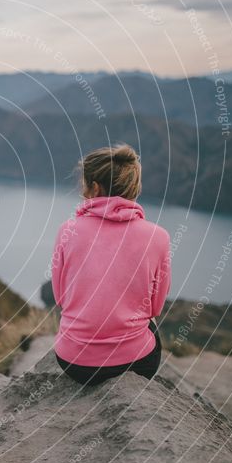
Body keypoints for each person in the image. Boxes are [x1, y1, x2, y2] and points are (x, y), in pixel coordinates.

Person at [51, 143, 171, 386]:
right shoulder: (159, 237)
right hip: (136, 364)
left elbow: (61, 297)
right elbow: (155, 308)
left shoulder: (67, 230)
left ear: (94, 187)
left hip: (74, 364)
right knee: (149, 324)